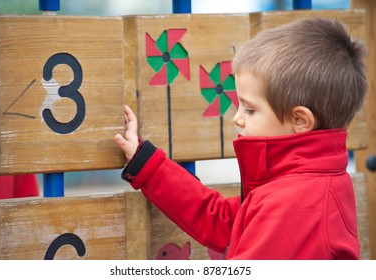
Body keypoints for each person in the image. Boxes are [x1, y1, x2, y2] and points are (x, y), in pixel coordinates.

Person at [114, 17, 367, 259]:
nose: (237, 118)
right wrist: (145, 162)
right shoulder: (299, 186)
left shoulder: (295, 205)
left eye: (249, 109)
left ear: (299, 120)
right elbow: (221, 220)